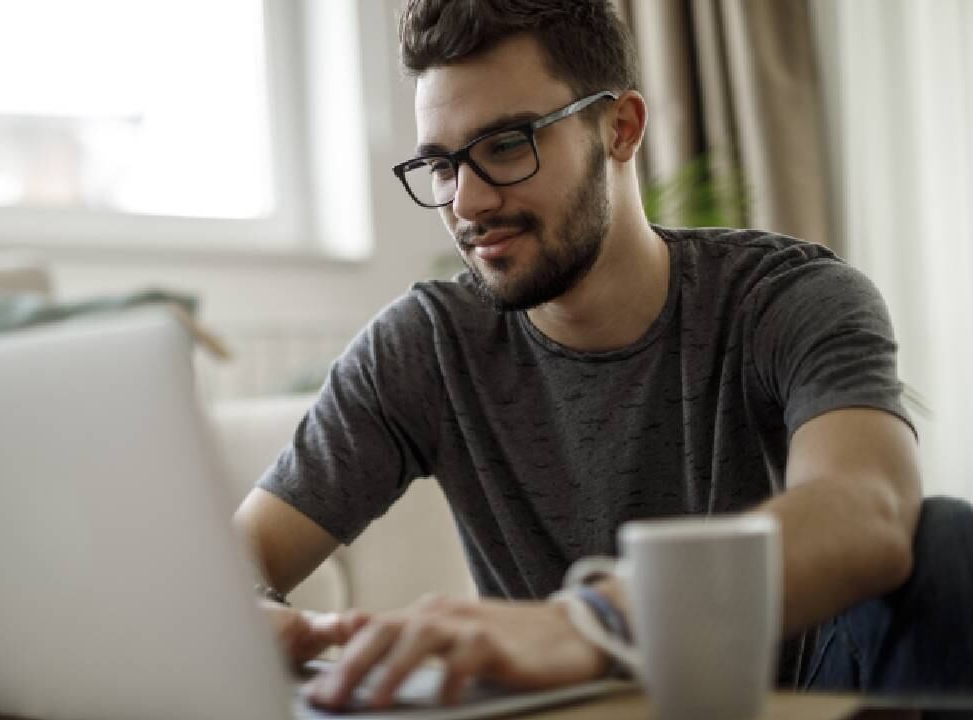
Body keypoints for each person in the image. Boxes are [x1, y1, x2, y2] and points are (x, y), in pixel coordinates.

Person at [234, 0, 973, 710]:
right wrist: (249, 618)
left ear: (620, 127)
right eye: (442, 164)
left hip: (779, 702)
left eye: (505, 146)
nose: (467, 202)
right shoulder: (425, 345)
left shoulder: (788, 298)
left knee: (945, 543)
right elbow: (235, 561)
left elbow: (868, 510)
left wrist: (591, 622)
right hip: (570, 712)